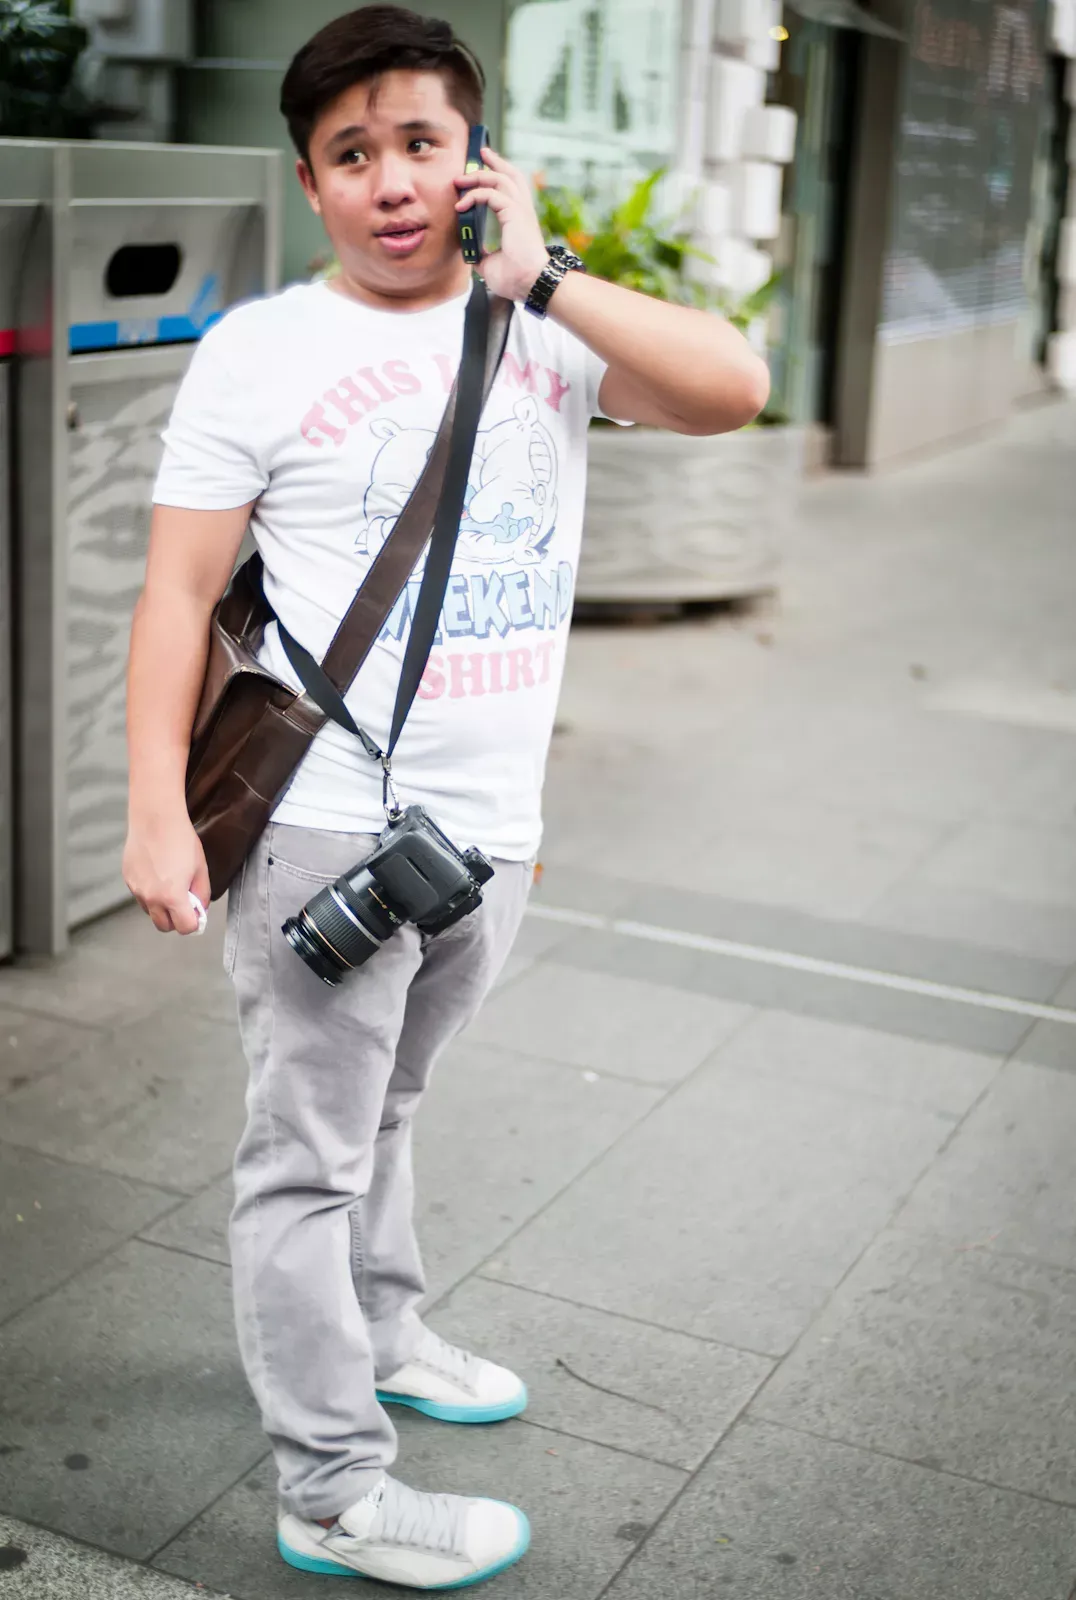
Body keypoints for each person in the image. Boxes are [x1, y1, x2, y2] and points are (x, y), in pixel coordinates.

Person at [123, 4, 768, 1588]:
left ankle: (385, 1330)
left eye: (420, 142)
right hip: (323, 827)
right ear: (310, 182)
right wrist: (150, 806)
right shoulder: (260, 350)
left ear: (477, 157)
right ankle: (332, 1488)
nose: (392, 180)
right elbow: (177, 591)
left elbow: (733, 388)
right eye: (352, 154)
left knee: (390, 1110)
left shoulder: (541, 325)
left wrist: (541, 275)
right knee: (306, 1160)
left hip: (491, 834)